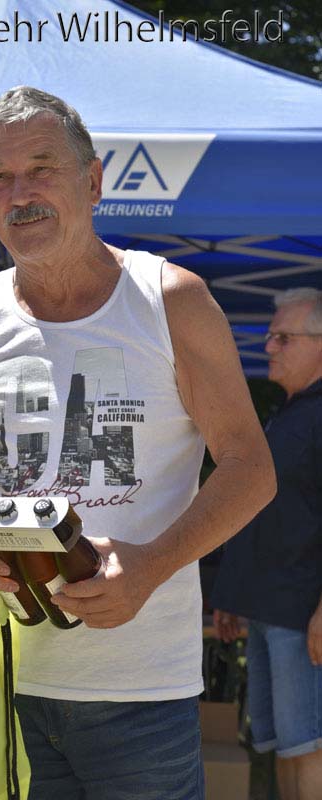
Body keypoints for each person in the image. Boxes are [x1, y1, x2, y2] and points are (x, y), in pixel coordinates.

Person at [0, 86, 276, 800]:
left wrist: (152, 565)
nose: (21, 194)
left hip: (140, 694)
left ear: (94, 181)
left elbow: (251, 468)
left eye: (42, 169)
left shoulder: (170, 301)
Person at [212, 288, 322, 800]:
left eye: (283, 338)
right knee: (284, 745)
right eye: (270, 335)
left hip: (303, 614)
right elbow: (268, 512)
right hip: (269, 607)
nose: (268, 347)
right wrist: (234, 594)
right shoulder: (292, 412)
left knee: (308, 745)